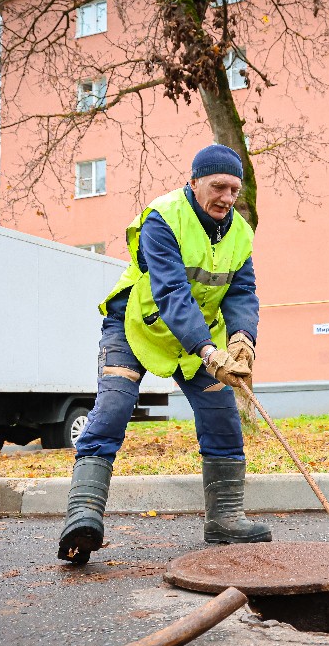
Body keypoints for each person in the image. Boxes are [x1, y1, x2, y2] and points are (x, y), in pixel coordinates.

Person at [58, 144, 272, 563]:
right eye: (218, 186)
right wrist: (210, 351)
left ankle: (224, 519)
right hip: (137, 324)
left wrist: (243, 340)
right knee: (114, 408)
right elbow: (171, 291)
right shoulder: (163, 217)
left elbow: (242, 291)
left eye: (234, 189)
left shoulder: (241, 232)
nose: (227, 198)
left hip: (195, 338)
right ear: (194, 181)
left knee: (223, 419)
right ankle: (83, 516)